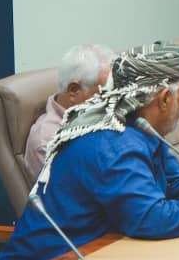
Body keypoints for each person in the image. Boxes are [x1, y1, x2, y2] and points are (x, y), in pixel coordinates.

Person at [0, 42, 179, 260]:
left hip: (97, 258)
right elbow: (149, 217)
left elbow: (178, 183)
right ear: (164, 99)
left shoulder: (137, 128)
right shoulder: (112, 142)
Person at [24, 44, 115, 181]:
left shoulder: (96, 116)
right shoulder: (48, 141)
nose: (113, 101)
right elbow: (83, 190)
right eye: (105, 94)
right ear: (74, 91)